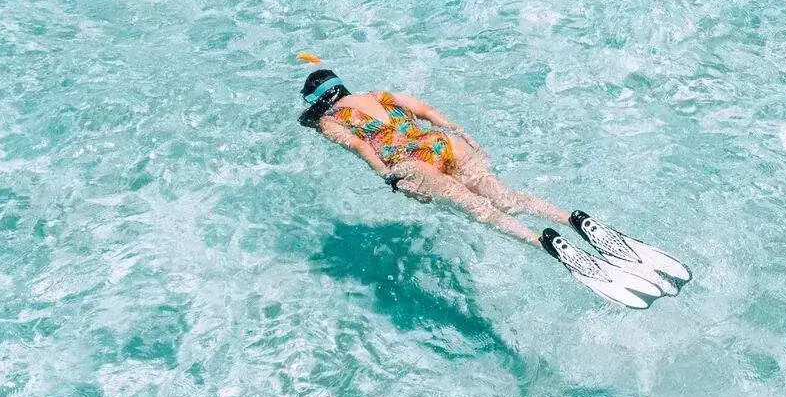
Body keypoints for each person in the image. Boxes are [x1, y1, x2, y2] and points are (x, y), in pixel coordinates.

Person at [293, 56, 691, 306]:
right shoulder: (378, 95)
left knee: (482, 212)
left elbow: (366, 151)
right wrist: (463, 135)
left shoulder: (331, 122)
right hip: (439, 142)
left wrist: (392, 179)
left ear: (320, 103)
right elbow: (428, 110)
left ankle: (546, 244)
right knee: (504, 195)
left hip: (413, 162)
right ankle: (572, 219)